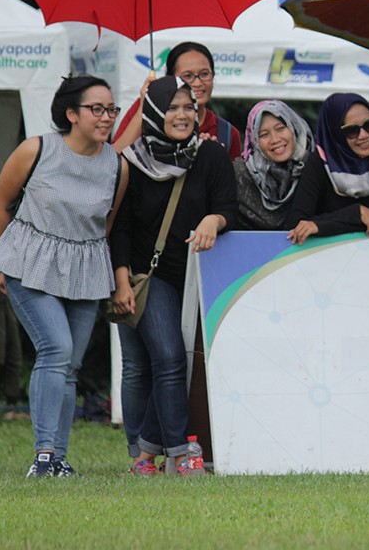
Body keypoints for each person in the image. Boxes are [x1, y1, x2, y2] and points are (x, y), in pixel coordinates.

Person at [0, 75, 128, 477]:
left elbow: (107, 223)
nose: (106, 117)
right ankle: (43, 456)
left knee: (70, 365)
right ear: (71, 114)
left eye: (111, 109)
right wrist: (5, 260)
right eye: (96, 109)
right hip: (29, 262)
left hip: (85, 267)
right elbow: (1, 201)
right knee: (56, 349)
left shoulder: (117, 165)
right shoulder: (36, 149)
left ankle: (58, 459)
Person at [109, 76, 237, 476]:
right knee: (167, 357)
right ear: (153, 112)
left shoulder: (211, 155)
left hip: (200, 280)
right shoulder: (131, 162)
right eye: (172, 107)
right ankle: (181, 454)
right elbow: (119, 228)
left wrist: (214, 220)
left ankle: (146, 455)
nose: (182, 115)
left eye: (188, 107)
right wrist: (122, 281)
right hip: (151, 276)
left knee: (178, 362)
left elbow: (229, 207)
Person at [286, 94, 369, 245]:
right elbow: (298, 225)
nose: (364, 135)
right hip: (325, 255)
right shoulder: (319, 162)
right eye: (351, 130)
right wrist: (356, 213)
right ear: (335, 133)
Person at [112, 42, 242, 161]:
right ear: (170, 78)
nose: (198, 83)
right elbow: (113, 161)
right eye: (188, 76)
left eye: (204, 74)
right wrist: (144, 107)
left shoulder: (227, 133)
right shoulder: (146, 109)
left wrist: (216, 156)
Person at [233, 100, 314, 231]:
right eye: (264, 135)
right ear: (255, 141)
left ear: (294, 128)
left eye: (280, 129)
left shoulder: (314, 167)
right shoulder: (240, 174)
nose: (275, 139)